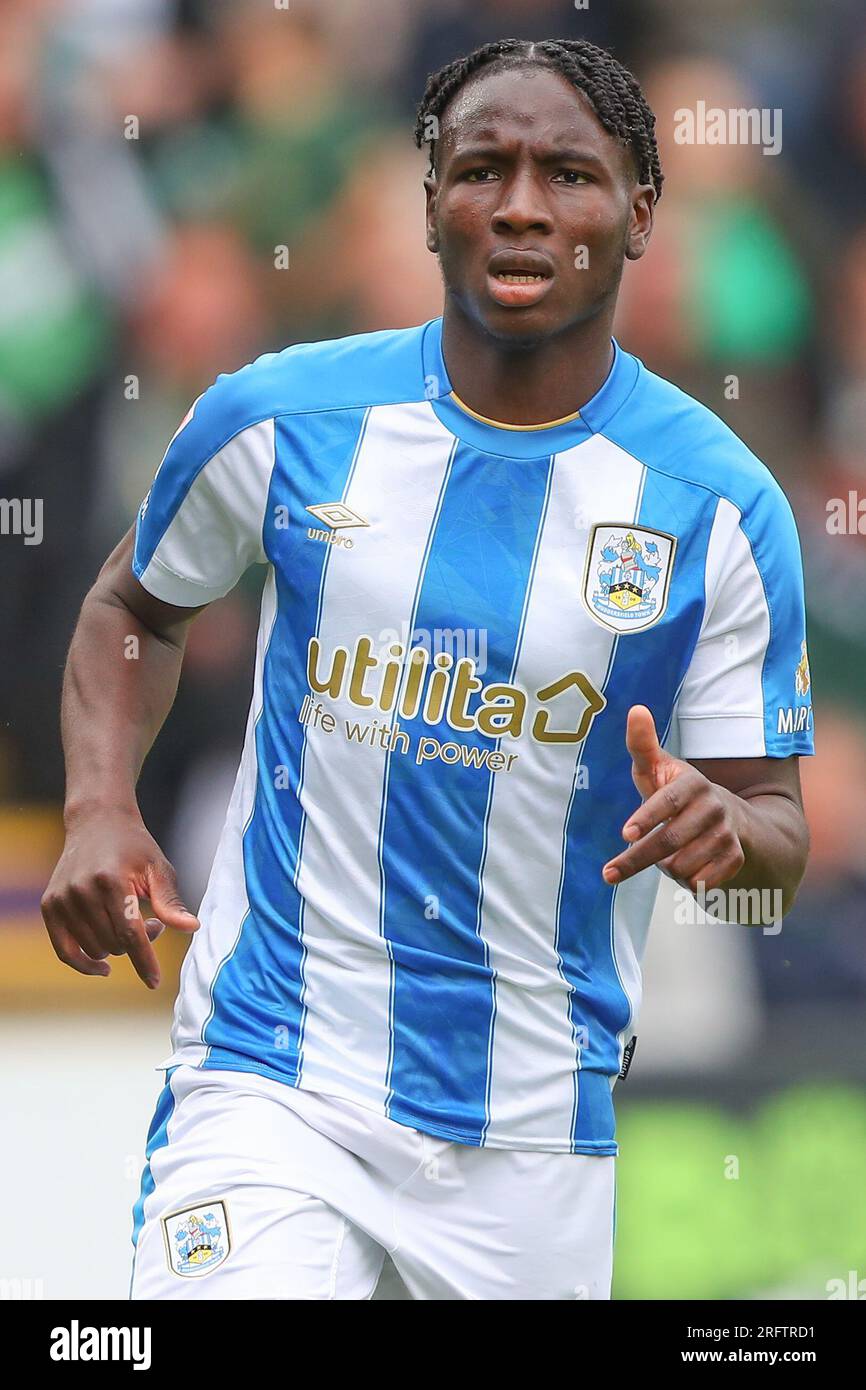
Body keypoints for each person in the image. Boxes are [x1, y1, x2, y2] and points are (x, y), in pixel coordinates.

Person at [41, 38, 814, 1301]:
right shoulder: (279, 419)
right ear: (429, 199)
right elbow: (134, 603)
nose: (518, 204)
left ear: (638, 214)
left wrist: (727, 826)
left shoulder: (718, 510)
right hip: (273, 1072)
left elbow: (774, 835)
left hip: (531, 1131)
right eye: (481, 169)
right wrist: (98, 807)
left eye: (567, 173)